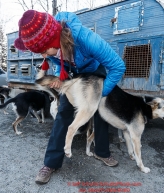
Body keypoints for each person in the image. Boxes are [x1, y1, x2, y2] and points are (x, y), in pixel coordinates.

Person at [14, 10, 126, 185]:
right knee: (64, 111)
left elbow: (118, 66)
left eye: (43, 50)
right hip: (73, 74)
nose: (43, 55)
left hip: (95, 71)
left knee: (99, 109)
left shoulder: (86, 39)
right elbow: (57, 63)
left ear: (52, 40)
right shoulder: (51, 47)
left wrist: (100, 94)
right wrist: (59, 78)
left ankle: (102, 151)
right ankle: (50, 163)